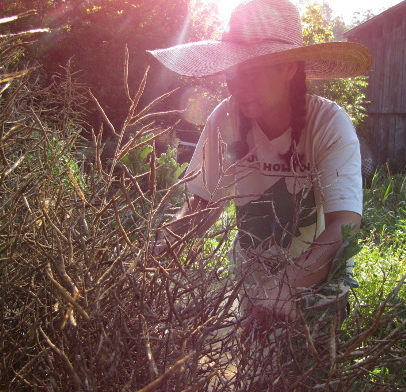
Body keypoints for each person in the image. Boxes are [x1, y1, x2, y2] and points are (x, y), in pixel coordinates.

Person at [148, 0, 371, 326]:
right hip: (252, 282)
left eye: (250, 71)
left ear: (288, 68)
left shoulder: (327, 123)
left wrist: (286, 286)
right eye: (231, 72)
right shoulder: (225, 117)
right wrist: (161, 245)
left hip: (318, 285)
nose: (237, 84)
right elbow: (204, 205)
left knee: (312, 369)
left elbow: (345, 222)